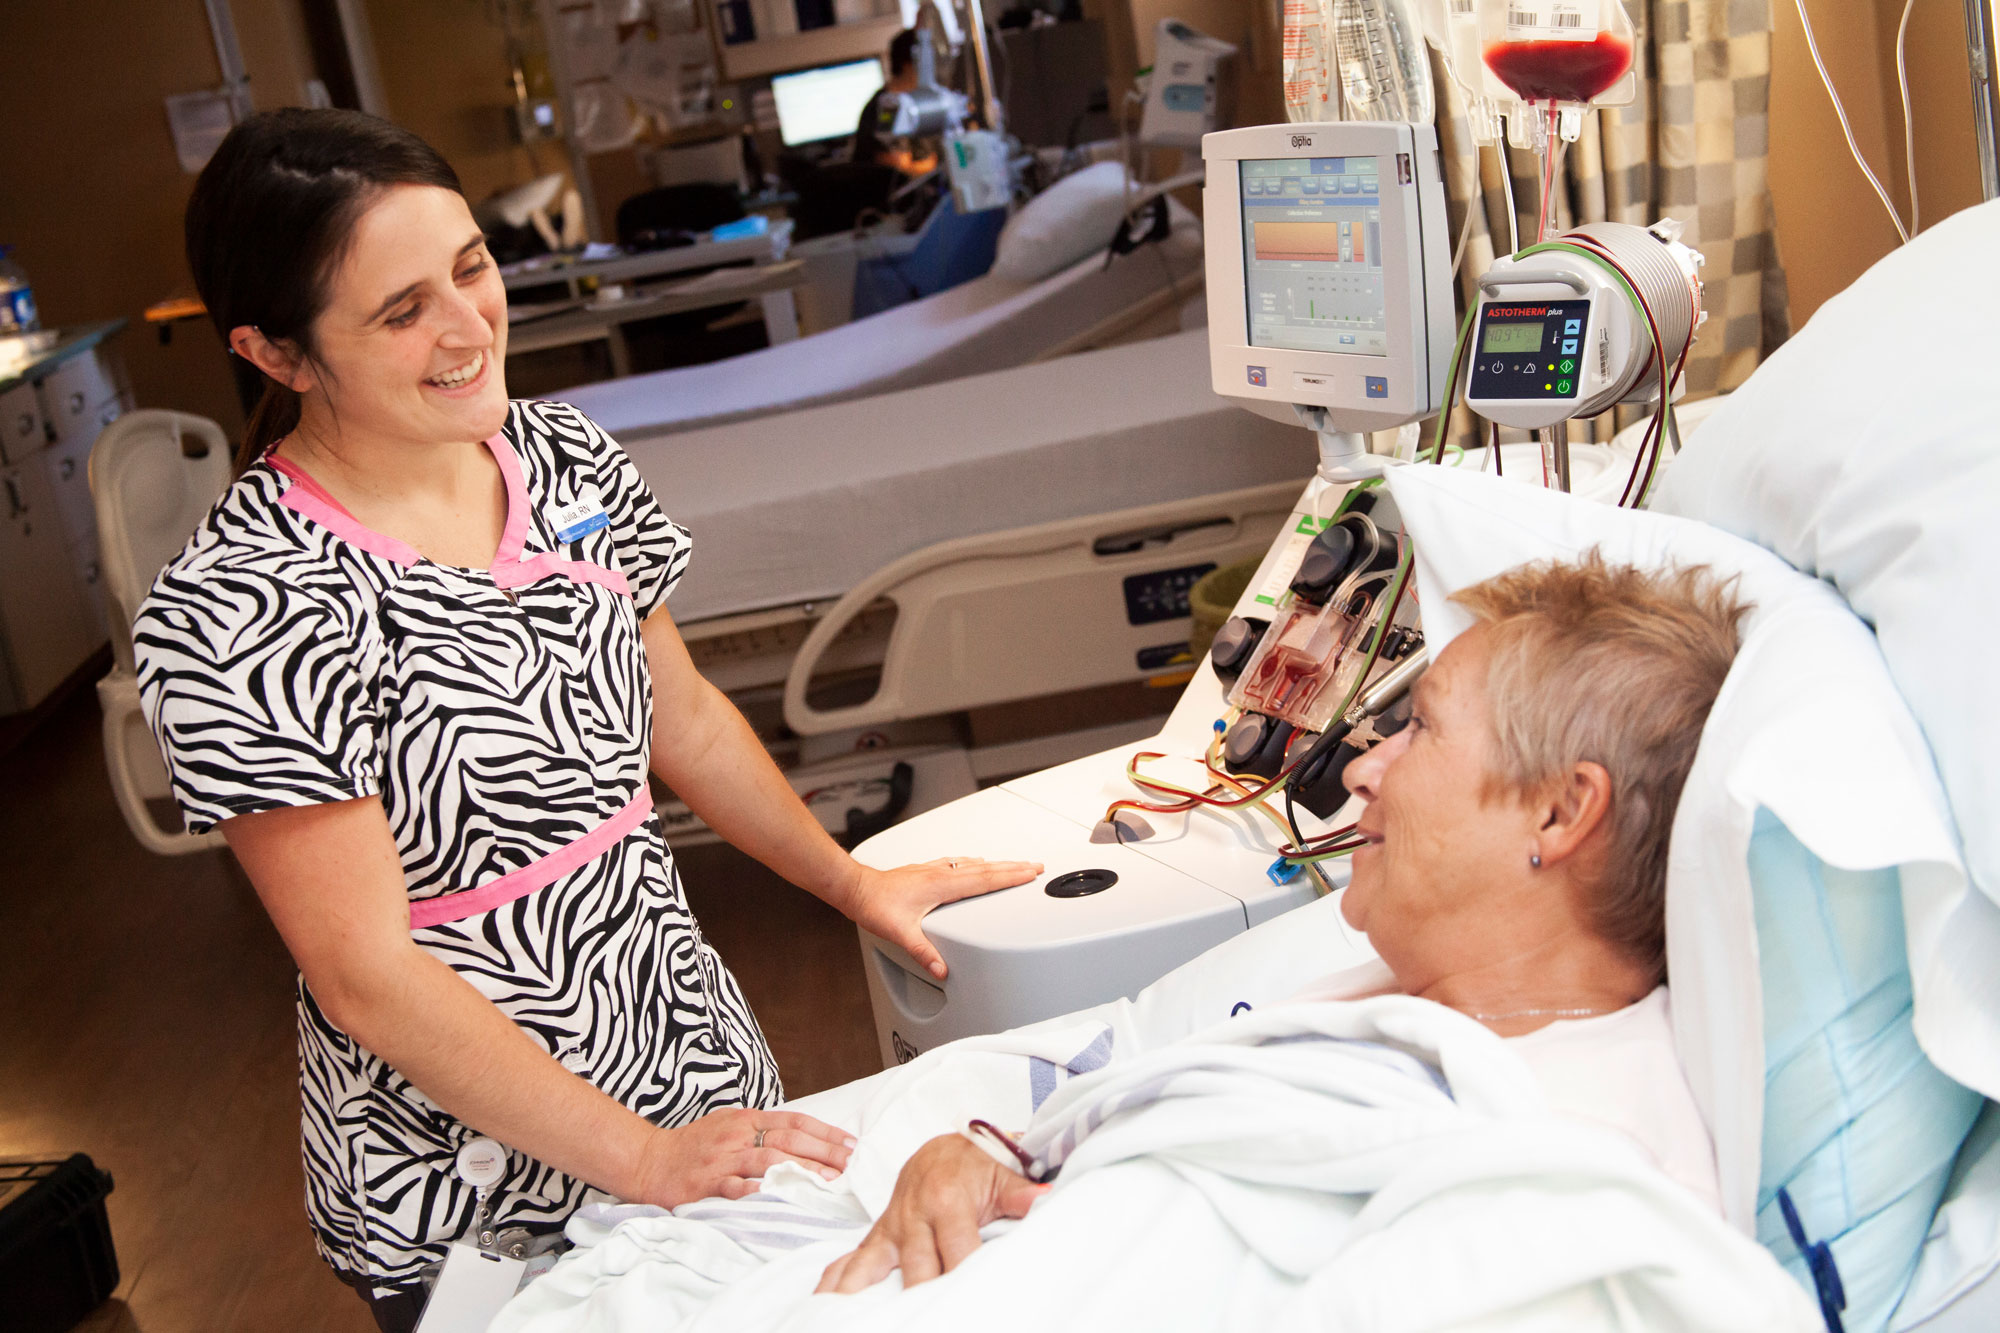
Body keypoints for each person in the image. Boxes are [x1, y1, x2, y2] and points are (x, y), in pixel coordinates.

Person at [135, 108, 1038, 1332]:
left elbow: (687, 718)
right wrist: (636, 1161)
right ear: (278, 354)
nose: (468, 328)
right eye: (401, 313)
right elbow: (364, 976)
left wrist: (847, 882)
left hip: (690, 1067)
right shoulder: (241, 603)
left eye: (469, 267)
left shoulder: (560, 458)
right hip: (472, 1177)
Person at [814, 552, 1748, 1294]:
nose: (1358, 770)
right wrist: (970, 1156)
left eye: (1419, 727)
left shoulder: (1581, 1168)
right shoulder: (1391, 1006)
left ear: (1558, 812)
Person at [852, 29, 940, 176]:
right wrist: (937, 164)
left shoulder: (909, 102)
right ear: (908, 64)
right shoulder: (888, 106)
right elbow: (899, 167)